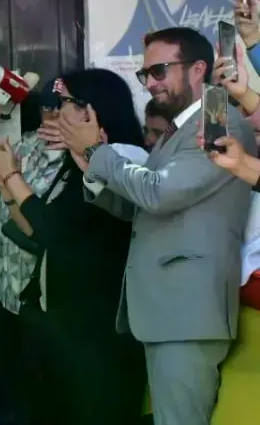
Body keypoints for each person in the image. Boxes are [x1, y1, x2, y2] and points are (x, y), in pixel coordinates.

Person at [57, 26, 257, 425]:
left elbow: (158, 194)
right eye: (144, 74)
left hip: (188, 309)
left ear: (199, 68)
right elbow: (144, 208)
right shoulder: (179, 129)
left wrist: (98, 152)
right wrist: (93, 170)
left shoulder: (217, 121)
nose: (150, 83)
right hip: (169, 310)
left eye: (160, 70)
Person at [0, 70, 148, 423]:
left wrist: (10, 176)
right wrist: (8, 186)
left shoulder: (124, 160)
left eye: (65, 102)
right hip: (61, 316)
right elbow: (39, 228)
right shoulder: (75, 160)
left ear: (91, 111)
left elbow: (54, 227)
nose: (54, 112)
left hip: (97, 329)